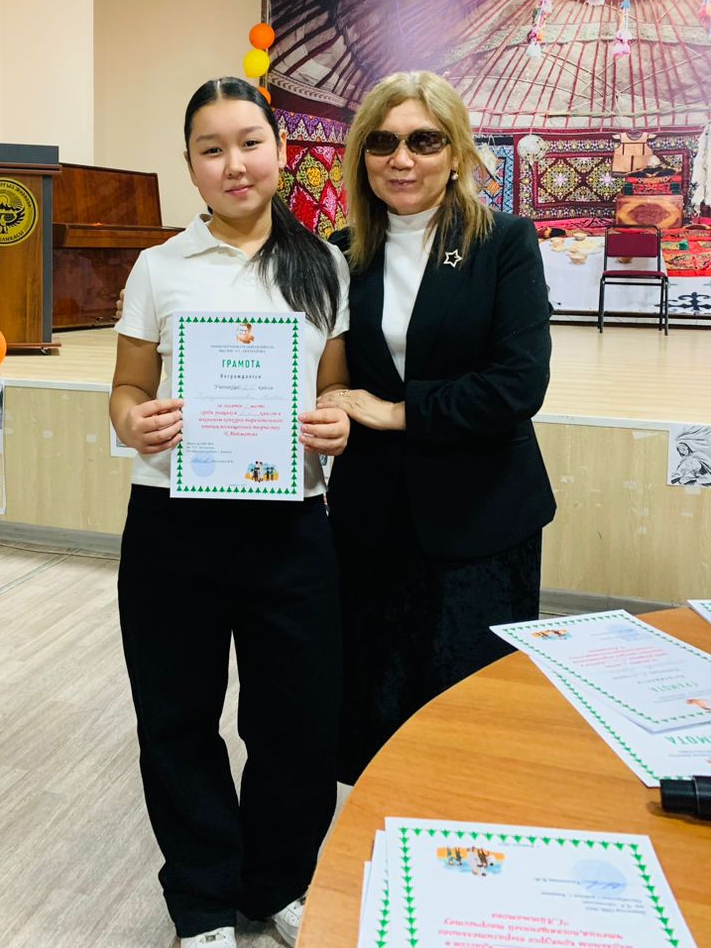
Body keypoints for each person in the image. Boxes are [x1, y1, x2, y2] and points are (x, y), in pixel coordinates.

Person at [111, 77, 351, 948]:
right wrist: (134, 421)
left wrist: (336, 421)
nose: (234, 163)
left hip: (290, 522)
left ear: (280, 152)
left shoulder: (324, 265)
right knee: (177, 718)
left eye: (250, 142)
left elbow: (335, 387)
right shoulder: (159, 267)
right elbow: (127, 387)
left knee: (297, 721)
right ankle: (204, 900)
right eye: (211, 149)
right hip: (173, 521)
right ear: (190, 166)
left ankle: (278, 882)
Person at [321, 71, 556, 785]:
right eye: (383, 142)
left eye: (424, 141)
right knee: (373, 704)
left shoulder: (503, 241)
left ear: (456, 153)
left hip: (480, 517)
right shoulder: (340, 252)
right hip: (372, 518)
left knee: (469, 718)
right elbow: (322, 368)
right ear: (363, 156)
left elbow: (519, 384)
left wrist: (401, 412)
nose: (402, 159)